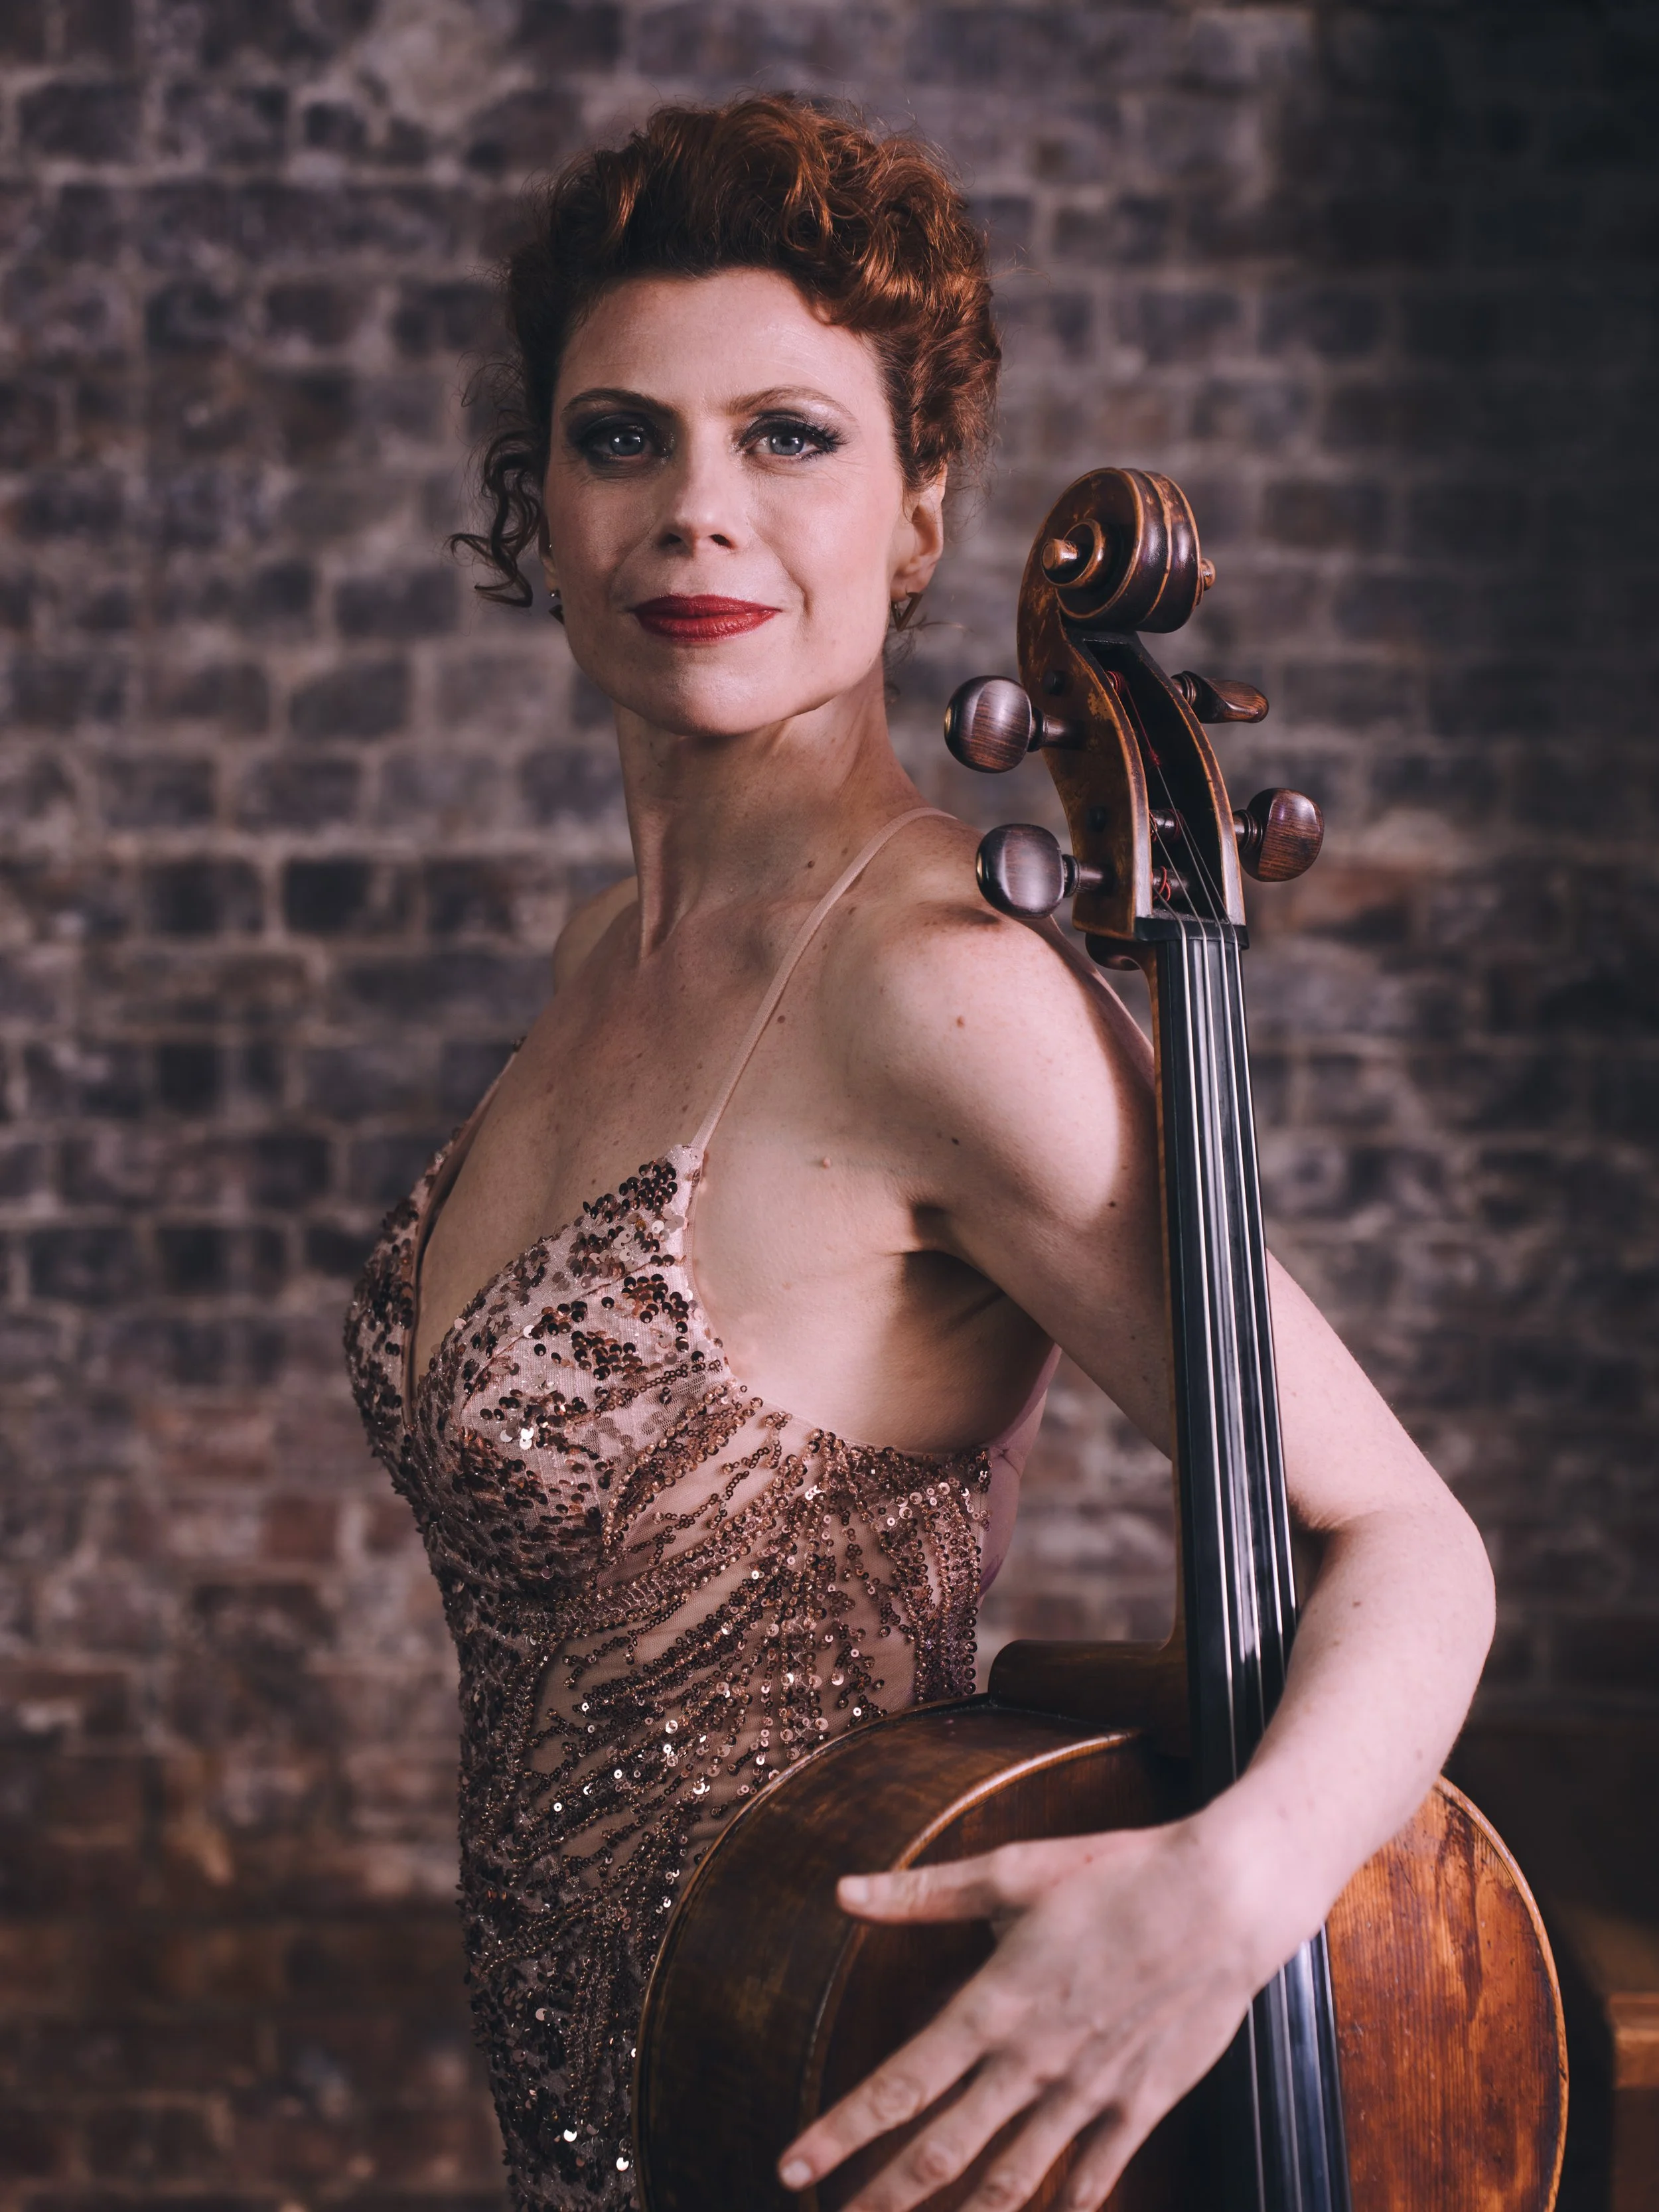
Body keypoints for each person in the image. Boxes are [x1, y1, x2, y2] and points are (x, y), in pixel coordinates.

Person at [344, 94, 1494, 2212]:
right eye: (622, 439)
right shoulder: (617, 943)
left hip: (844, 2096)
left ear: (917, 513)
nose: (699, 514)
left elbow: (1409, 1543)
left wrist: (1220, 1896)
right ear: (536, 507)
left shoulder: (938, 987)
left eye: (788, 437)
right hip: (614, 2120)